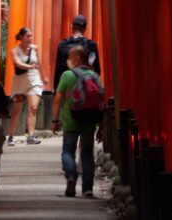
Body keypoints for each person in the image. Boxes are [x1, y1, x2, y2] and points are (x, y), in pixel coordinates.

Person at [52, 46, 103, 197]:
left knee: (68, 151)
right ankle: (87, 189)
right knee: (87, 154)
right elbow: (101, 102)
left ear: (78, 58)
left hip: (70, 121)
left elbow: (57, 99)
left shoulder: (67, 75)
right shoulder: (94, 76)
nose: (68, 60)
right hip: (89, 121)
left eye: (70, 57)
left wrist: (54, 120)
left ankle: (71, 176)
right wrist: (102, 127)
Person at [7, 27, 49, 146]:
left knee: (34, 107)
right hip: (20, 82)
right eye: (28, 36)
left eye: (31, 36)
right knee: (16, 110)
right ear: (21, 37)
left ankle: (31, 136)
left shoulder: (35, 48)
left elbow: (39, 63)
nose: (30, 38)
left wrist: (43, 76)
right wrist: (30, 67)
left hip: (34, 79)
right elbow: (17, 63)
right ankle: (10, 136)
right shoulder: (14, 50)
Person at [54, 15, 101, 90]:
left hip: (67, 88)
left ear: (72, 26)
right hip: (85, 87)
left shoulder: (62, 44)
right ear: (85, 28)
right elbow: (97, 70)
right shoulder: (91, 45)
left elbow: (58, 71)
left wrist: (57, 91)